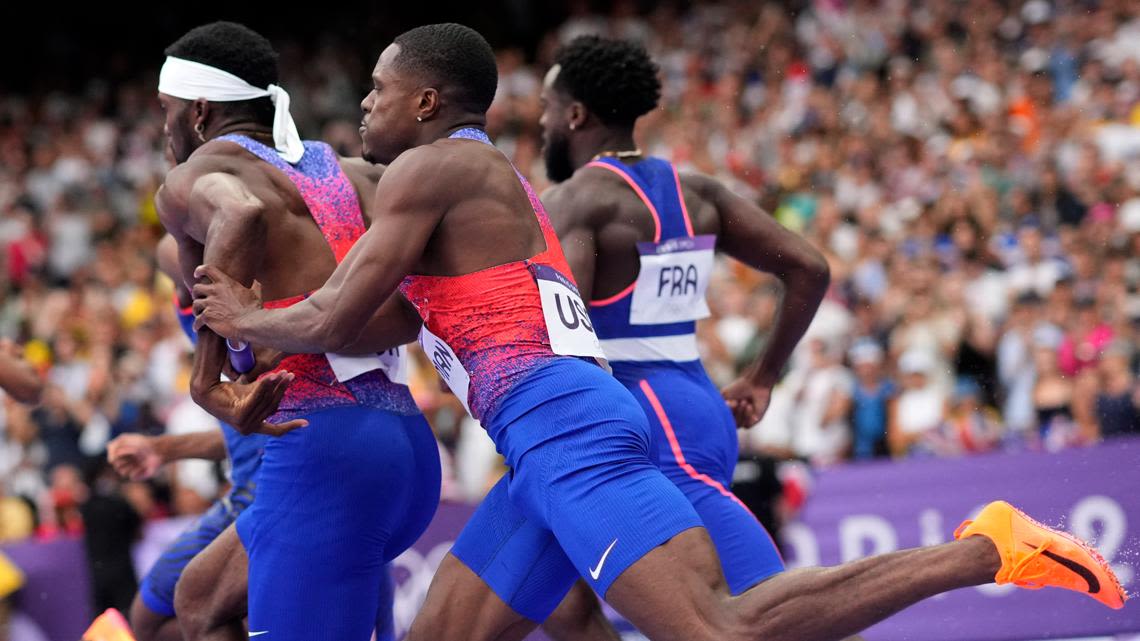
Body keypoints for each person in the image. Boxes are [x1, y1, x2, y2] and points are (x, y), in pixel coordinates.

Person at [192, 23, 1125, 641]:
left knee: (720, 630)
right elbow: (385, 316)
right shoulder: (492, 183)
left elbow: (338, 311)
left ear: (428, 104)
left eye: (378, 90)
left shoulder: (430, 171)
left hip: (567, 427)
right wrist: (279, 326)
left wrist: (240, 316)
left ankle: (983, 548)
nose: (363, 107)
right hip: (567, 427)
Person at [154, 22, 438, 641]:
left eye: (167, 111)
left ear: (199, 111)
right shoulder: (349, 171)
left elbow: (240, 211)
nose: (163, 128)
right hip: (403, 443)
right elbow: (416, 308)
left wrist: (206, 382)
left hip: (323, 446)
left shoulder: (197, 175)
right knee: (200, 597)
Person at [537, 34, 827, 635]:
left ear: (574, 114)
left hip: (643, 421)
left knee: (775, 610)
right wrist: (762, 376)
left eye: (546, 109)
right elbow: (808, 268)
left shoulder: (577, 200)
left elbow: (563, 339)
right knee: (555, 599)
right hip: (697, 400)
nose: (541, 125)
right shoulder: (699, 193)